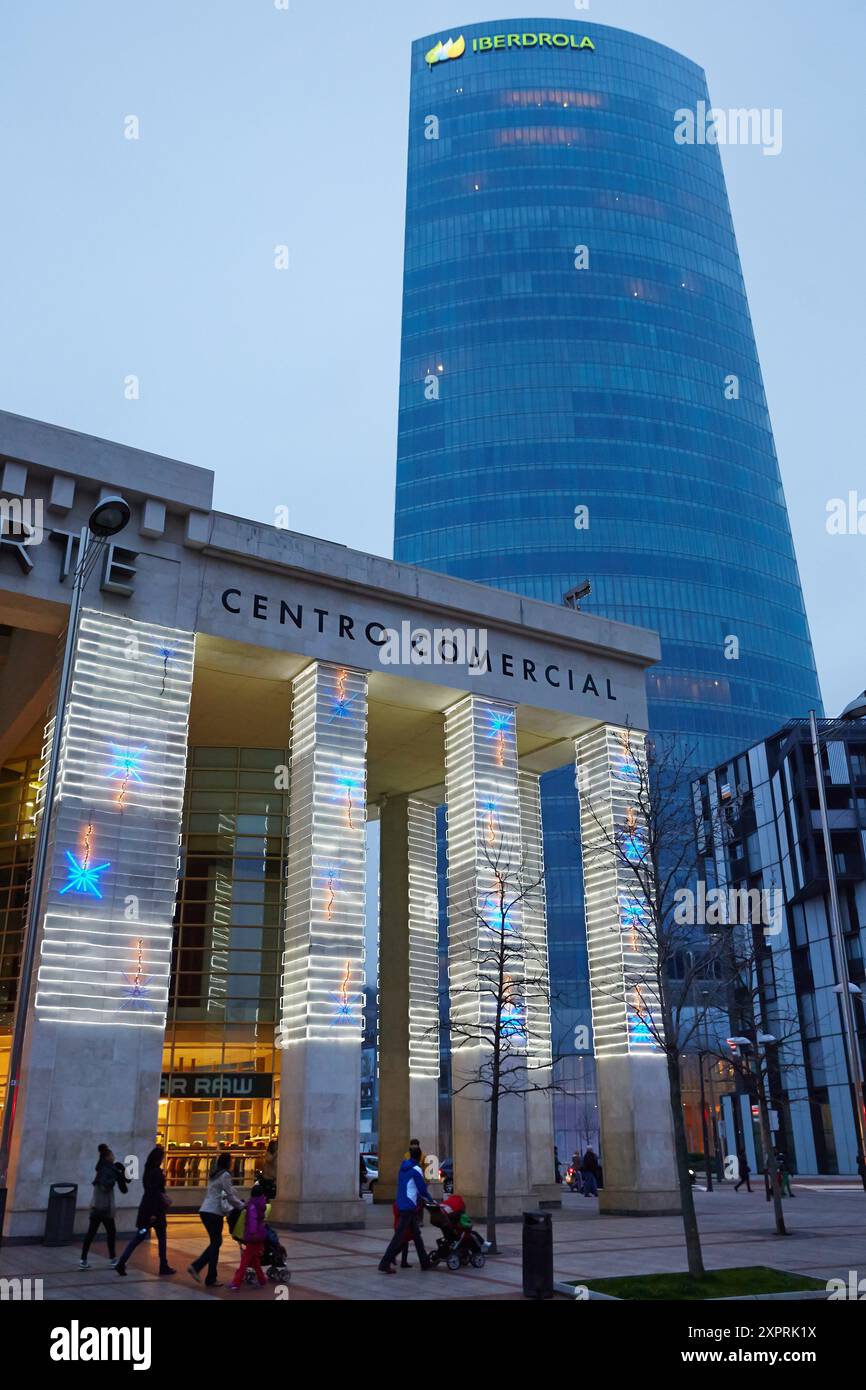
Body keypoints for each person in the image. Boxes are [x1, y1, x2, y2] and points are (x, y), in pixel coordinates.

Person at [188, 1151, 245, 1287]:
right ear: (228, 1162)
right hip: (214, 1213)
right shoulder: (225, 1175)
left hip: (205, 1210)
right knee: (216, 1243)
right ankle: (206, 1274)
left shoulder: (214, 1174)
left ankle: (202, 1270)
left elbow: (223, 1193)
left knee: (216, 1242)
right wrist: (242, 1205)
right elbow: (230, 1196)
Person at [115, 1145, 174, 1276]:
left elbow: (151, 1192)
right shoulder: (157, 1172)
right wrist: (155, 1212)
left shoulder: (147, 1171)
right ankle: (163, 1265)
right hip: (156, 1212)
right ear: (158, 1159)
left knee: (138, 1237)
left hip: (145, 1209)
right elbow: (155, 1192)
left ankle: (122, 1262)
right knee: (161, 1239)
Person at [378, 1141, 432, 1273]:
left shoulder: (403, 1168)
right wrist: (431, 1200)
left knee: (417, 1235)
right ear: (419, 1157)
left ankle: (425, 1262)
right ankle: (384, 1263)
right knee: (399, 1237)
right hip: (409, 1207)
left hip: (401, 1204)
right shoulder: (416, 1169)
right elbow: (422, 1190)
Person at [79, 1144, 128, 1269]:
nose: (114, 1156)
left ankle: (83, 1259)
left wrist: (119, 1173)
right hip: (104, 1208)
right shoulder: (108, 1170)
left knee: (91, 1233)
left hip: (96, 1206)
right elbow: (108, 1185)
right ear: (107, 1157)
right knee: (111, 1232)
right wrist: (116, 1177)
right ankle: (112, 1259)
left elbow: (123, 1184)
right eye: (112, 1155)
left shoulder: (101, 1169)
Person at [229, 1181, 269, 1290]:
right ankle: (262, 1280)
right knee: (255, 1260)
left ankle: (236, 1282)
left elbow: (252, 1220)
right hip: (260, 1234)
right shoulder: (261, 1203)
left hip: (253, 1236)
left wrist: (252, 1233)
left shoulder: (252, 1205)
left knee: (245, 1260)